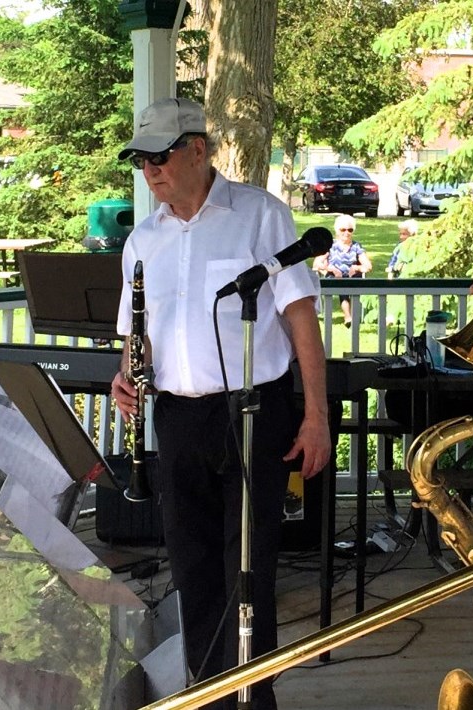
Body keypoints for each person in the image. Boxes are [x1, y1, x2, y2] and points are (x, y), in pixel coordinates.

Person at [109, 97, 331, 710]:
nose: (150, 170)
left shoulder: (259, 215)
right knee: (191, 565)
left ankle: (252, 699)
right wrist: (124, 374)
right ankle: (204, 695)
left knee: (248, 569)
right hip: (177, 415)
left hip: (254, 412)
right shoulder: (143, 238)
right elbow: (139, 331)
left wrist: (317, 416)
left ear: (198, 149)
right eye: (141, 159)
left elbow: (301, 321)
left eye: (160, 156)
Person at [312, 213, 372, 323]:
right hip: (334, 276)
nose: (346, 233)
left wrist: (356, 267)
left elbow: (368, 266)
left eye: (350, 230)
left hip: (352, 276)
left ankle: (350, 316)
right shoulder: (330, 246)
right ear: (337, 230)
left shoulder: (356, 246)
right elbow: (316, 264)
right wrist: (331, 269)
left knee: (352, 282)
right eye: (343, 230)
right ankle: (348, 316)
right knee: (341, 284)